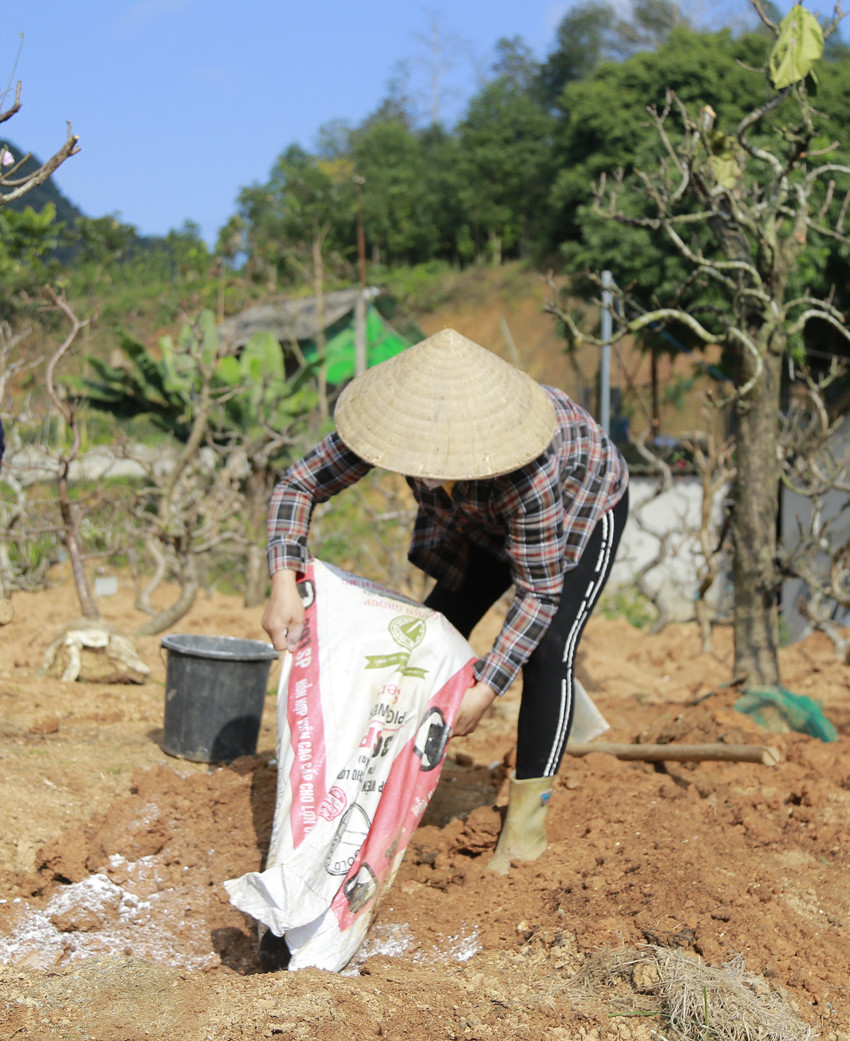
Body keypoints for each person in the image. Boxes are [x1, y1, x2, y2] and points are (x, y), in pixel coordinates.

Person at [262, 328, 629, 873]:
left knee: (549, 651)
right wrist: (282, 578)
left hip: (580, 506)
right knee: (437, 630)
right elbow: (299, 485)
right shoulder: (395, 420)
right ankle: (380, 778)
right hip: (476, 520)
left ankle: (527, 827)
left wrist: (485, 689)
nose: (423, 466)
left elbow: (539, 590)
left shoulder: (530, 467)